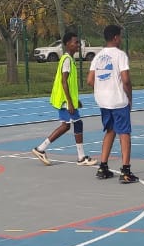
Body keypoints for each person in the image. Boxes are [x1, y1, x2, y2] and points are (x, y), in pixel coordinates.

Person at [31, 32, 97, 167]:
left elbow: (70, 84)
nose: (78, 45)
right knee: (77, 123)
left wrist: (75, 100)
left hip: (65, 100)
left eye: (78, 42)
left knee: (66, 125)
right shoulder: (67, 60)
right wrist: (70, 102)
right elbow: (64, 81)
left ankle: (40, 149)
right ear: (67, 44)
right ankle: (81, 157)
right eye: (75, 42)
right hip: (65, 101)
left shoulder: (69, 59)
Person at [87, 24, 138, 183]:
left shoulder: (98, 56)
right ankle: (126, 171)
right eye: (120, 36)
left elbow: (90, 80)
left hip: (103, 101)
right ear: (116, 37)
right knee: (124, 133)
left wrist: (102, 89)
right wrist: (130, 97)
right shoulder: (120, 55)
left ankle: (103, 167)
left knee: (110, 130)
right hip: (118, 100)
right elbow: (126, 79)